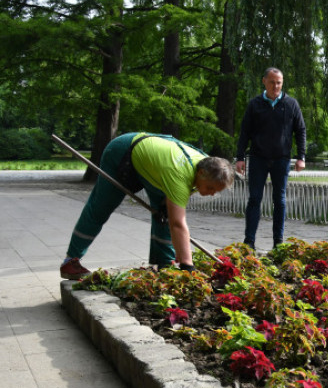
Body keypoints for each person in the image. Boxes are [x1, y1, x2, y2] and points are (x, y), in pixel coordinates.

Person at [60, 132, 234, 279]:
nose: (212, 193)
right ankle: (70, 262)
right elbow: (178, 224)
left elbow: (172, 219)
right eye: (210, 188)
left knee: (164, 213)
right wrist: (188, 267)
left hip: (156, 162)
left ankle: (164, 265)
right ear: (201, 173)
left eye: (216, 191)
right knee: (101, 207)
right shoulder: (180, 177)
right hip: (122, 152)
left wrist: (181, 260)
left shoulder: (205, 165)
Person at [234, 67, 307, 248]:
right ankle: (249, 241)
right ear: (264, 81)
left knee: (279, 201)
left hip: (281, 159)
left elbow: (301, 130)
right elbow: (245, 132)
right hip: (258, 158)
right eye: (272, 82)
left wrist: (301, 157)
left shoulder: (291, 104)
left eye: (279, 83)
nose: (276, 86)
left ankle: (278, 242)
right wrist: (240, 157)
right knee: (254, 199)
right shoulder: (255, 104)